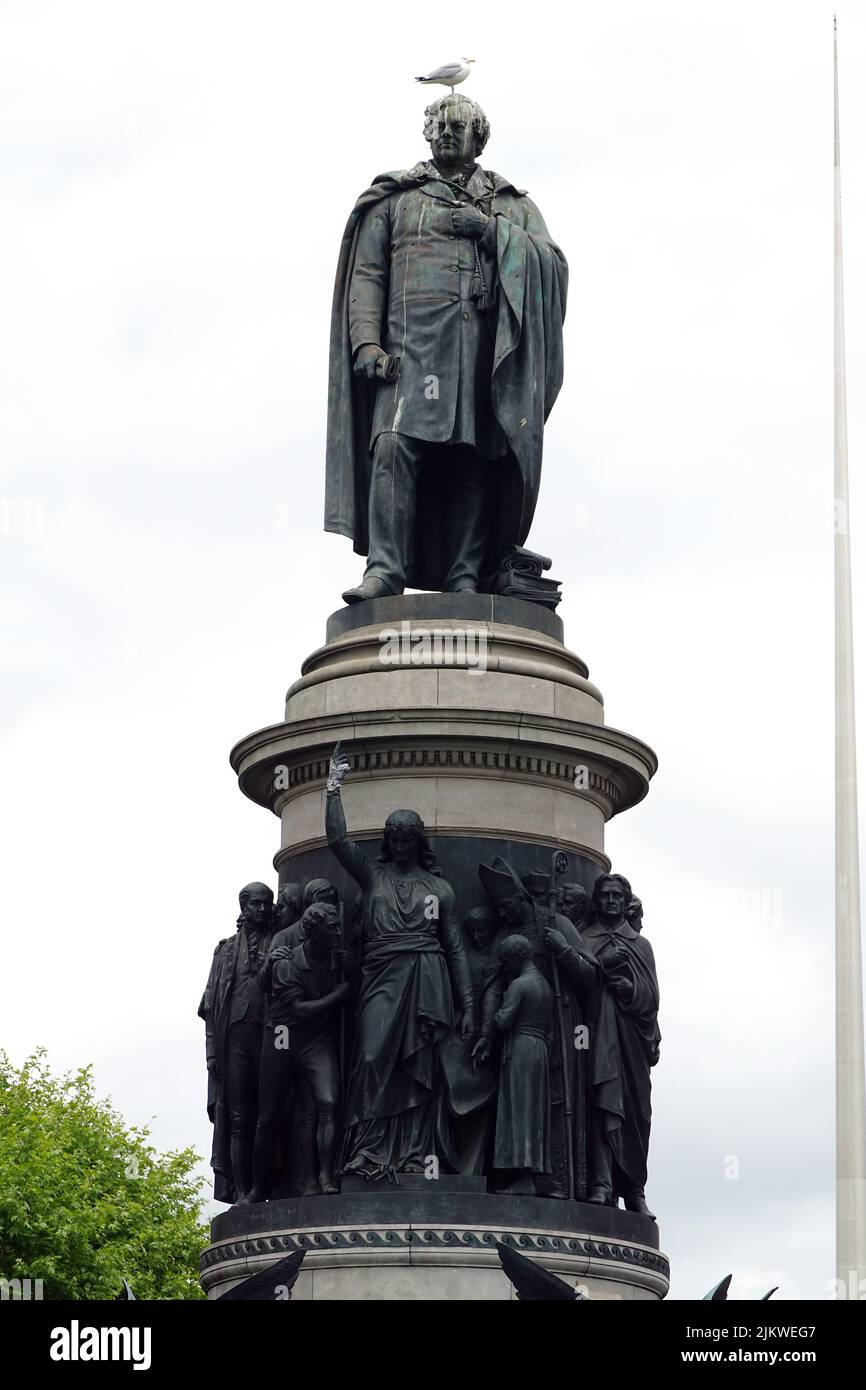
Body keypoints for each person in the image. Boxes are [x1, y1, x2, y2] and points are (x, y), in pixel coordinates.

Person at [325, 92, 568, 602]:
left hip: (478, 359)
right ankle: (384, 569)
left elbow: (552, 266)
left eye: (460, 127)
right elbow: (367, 275)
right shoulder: (395, 200)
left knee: (471, 460)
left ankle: (464, 574)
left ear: (479, 138)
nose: (448, 133)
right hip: (407, 361)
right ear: (427, 133)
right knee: (393, 448)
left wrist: (493, 233)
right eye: (440, 125)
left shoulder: (510, 205)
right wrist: (366, 341)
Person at [325, 744, 474, 1178]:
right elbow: (337, 841)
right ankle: (370, 1152)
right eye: (395, 836)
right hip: (382, 978)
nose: (401, 843)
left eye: (409, 836)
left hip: (426, 979)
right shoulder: (374, 875)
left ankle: (412, 1155)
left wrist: (469, 1005)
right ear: (388, 840)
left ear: (419, 841)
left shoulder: (438, 889)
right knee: (371, 1057)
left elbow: (456, 948)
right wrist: (334, 785)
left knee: (419, 1068)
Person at [478, 856, 601, 1198]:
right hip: (522, 1031)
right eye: (498, 908)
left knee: (560, 1102)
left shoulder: (556, 922)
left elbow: (592, 976)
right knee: (524, 1103)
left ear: (520, 897)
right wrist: (487, 1032)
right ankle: (519, 1176)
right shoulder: (507, 932)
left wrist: (563, 951)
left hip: (561, 1027)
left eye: (505, 906)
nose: (502, 914)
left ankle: (560, 1183)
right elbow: (492, 982)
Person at [245, 902, 350, 1201]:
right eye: (332, 928)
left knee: (325, 1103)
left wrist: (350, 971)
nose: (339, 932)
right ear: (313, 931)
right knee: (268, 1116)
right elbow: (299, 1010)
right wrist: (338, 995)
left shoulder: (337, 961)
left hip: (317, 1039)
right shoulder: (286, 962)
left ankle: (323, 1177)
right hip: (282, 1037)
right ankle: (257, 1188)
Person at [579, 874, 660, 1217]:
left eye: (617, 896)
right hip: (596, 1037)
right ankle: (601, 1183)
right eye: (605, 896)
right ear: (596, 902)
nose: (611, 901)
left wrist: (629, 988)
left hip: (631, 1041)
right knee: (600, 1107)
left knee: (636, 1113)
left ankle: (634, 1190)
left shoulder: (640, 945)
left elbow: (652, 997)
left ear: (624, 901)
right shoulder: (584, 939)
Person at [199, 881, 275, 1203]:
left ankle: (266, 1186)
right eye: (256, 904)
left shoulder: (280, 940)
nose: (262, 909)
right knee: (239, 1118)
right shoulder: (226, 950)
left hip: (272, 1039)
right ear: (243, 907)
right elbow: (210, 1003)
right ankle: (242, 1191)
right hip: (234, 1041)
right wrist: (211, 1051)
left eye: (266, 904)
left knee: (267, 1116)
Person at [472, 934, 554, 1195]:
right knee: (533, 1111)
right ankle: (529, 1173)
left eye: (506, 961)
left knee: (519, 1110)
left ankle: (522, 1177)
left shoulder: (519, 985)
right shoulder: (546, 985)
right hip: (539, 1049)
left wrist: (497, 1004)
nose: (505, 966)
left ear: (518, 958)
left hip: (519, 1048)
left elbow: (503, 1021)